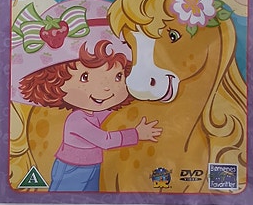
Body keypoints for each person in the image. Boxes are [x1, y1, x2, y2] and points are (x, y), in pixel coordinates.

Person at [19, 39, 162, 192]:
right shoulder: (76, 121)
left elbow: (108, 112)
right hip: (71, 169)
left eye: (118, 77)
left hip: (93, 166)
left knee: (91, 198)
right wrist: (136, 134)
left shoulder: (93, 114)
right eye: (85, 77)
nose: (107, 88)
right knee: (62, 199)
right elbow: (105, 140)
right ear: (56, 83)